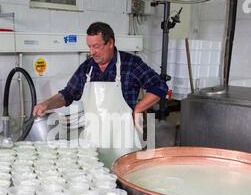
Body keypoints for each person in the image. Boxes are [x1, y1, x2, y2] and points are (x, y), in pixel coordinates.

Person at [33, 22, 168, 167]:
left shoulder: (131, 64)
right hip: (93, 146)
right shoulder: (87, 68)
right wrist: (47, 104)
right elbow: (68, 94)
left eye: (96, 46)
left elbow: (159, 86)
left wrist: (138, 108)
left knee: (121, 184)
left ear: (110, 43)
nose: (92, 52)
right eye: (89, 47)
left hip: (123, 144)